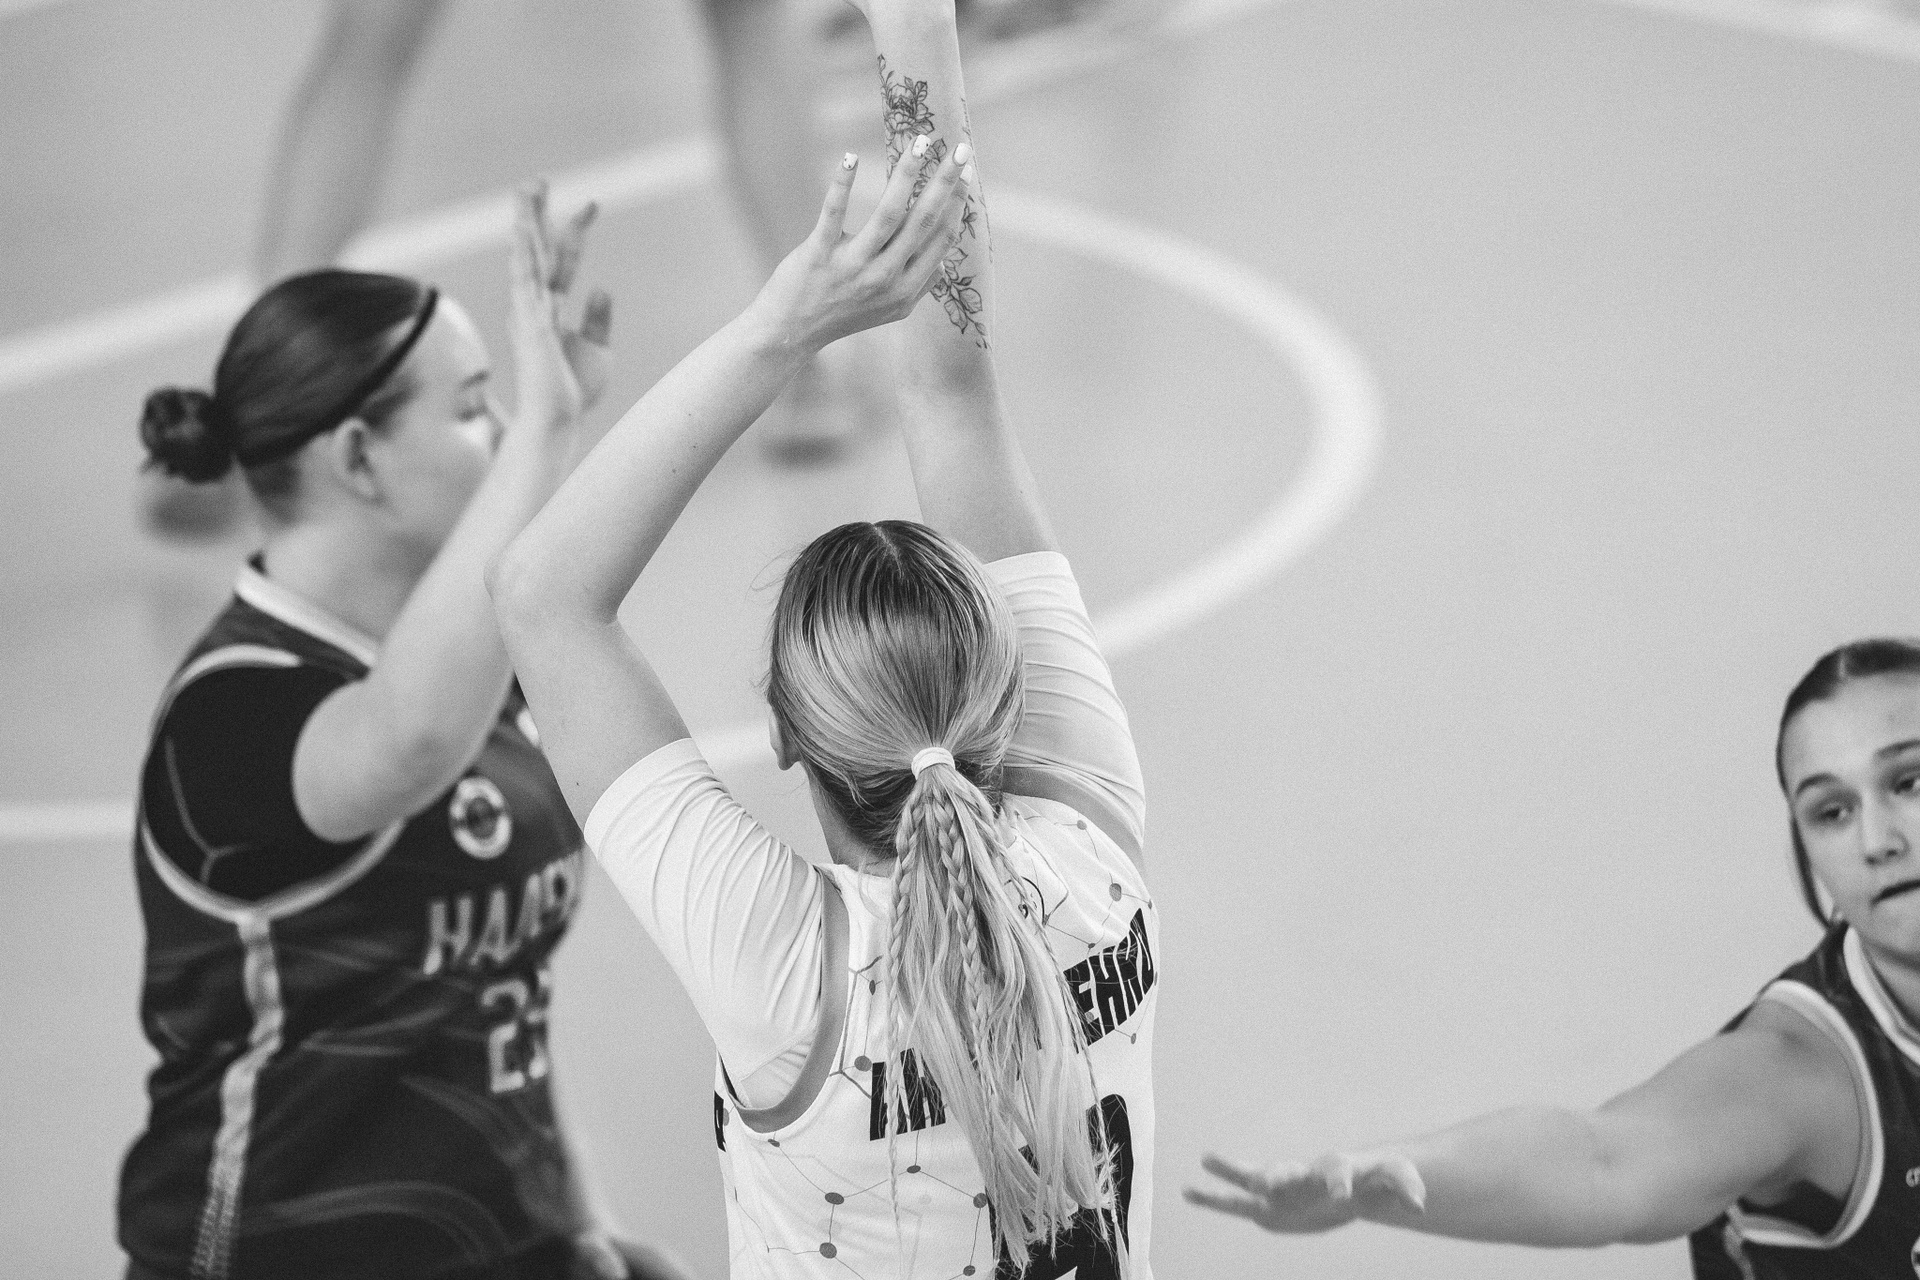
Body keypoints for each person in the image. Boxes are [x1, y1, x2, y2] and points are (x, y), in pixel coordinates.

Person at [486, 0, 1158, 1274]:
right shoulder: (1088, 842)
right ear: (1007, 689)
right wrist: (918, 27)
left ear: (787, 741)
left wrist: (784, 326)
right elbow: (955, 397)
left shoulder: (794, 981)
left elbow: (540, 593)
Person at [121, 185, 688, 1280]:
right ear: (358, 458)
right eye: (475, 408)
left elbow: (498, 987)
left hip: (498, 1238)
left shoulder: (477, 671)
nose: (502, 432)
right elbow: (406, 745)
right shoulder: (227, 715)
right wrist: (550, 429)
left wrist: (580, 1224)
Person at [1186, 638, 1920, 1277]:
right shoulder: (1806, 1077)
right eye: (1831, 812)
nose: (1877, 841)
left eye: (1909, 782)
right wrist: (1390, 1180)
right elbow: (1604, 1161)